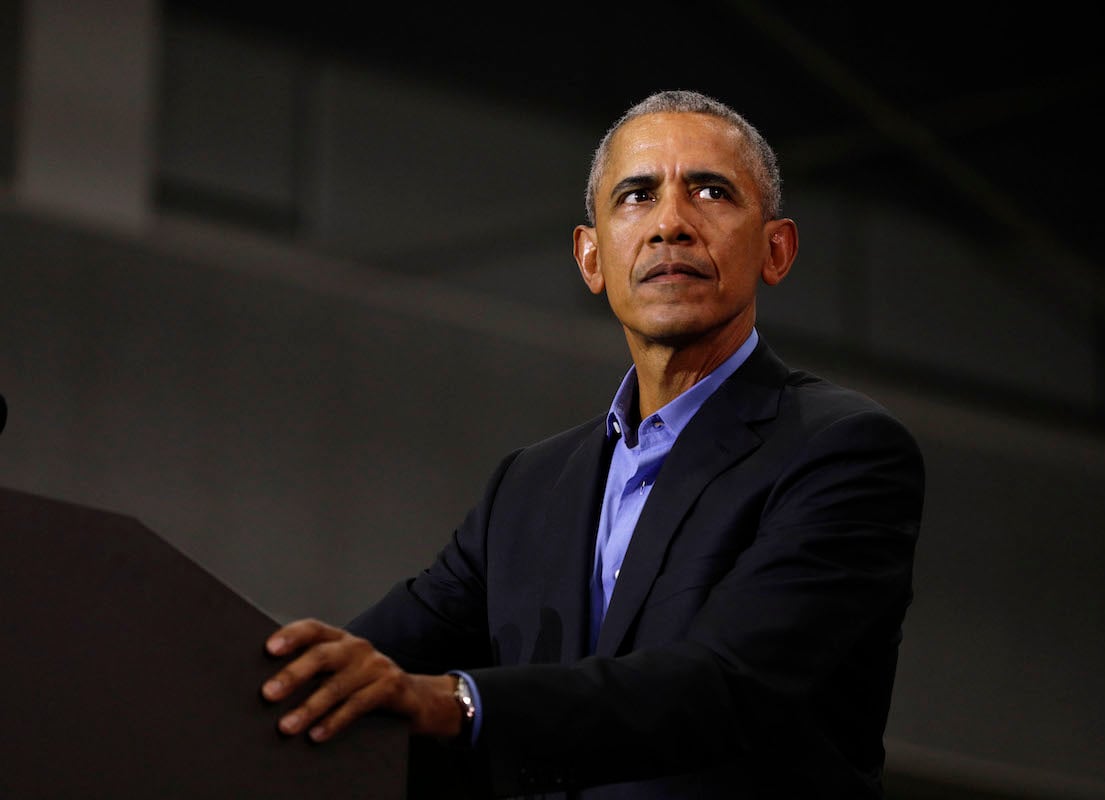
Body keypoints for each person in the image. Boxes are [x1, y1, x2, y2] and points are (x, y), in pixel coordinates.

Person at [260, 89, 925, 798]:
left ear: (776, 249)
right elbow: (370, 661)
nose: (672, 223)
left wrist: (454, 702)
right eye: (637, 195)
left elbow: (728, 686)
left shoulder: (843, 451)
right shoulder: (529, 486)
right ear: (591, 257)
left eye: (711, 192)